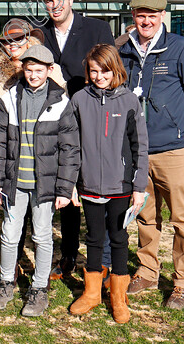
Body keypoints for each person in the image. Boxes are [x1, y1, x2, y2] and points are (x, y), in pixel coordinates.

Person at [118, 0, 184, 310]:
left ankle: (183, 282)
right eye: (139, 15)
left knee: (182, 218)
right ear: (133, 16)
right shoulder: (124, 51)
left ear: (162, 16)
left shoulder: (182, 49)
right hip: (135, 150)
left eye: (152, 15)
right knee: (145, 216)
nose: (145, 21)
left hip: (172, 149)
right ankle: (147, 271)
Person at [0, 45, 79, 317]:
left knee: (42, 236)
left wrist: (65, 188)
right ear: (22, 69)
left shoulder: (61, 103)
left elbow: (71, 150)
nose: (33, 75)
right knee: (9, 235)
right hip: (14, 184)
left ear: (50, 71)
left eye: (39, 70)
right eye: (29, 70)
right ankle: (6, 283)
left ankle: (39, 289)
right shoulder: (9, 99)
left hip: (45, 186)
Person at [64, 44, 148, 324]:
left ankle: (117, 296)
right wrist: (71, 183)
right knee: (93, 238)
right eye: (93, 71)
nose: (99, 76)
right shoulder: (78, 100)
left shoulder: (129, 102)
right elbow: (71, 145)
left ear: (116, 70)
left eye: (105, 71)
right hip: (88, 185)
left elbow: (140, 147)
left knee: (119, 238)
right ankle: (91, 293)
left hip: (120, 186)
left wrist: (138, 187)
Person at [39, 0, 114, 280]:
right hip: (54, 124)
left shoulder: (96, 29)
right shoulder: (40, 33)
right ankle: (68, 255)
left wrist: (65, 82)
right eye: (47, 1)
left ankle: (103, 259)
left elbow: (109, 73)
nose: (54, 5)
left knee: (97, 191)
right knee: (65, 190)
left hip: (91, 120)